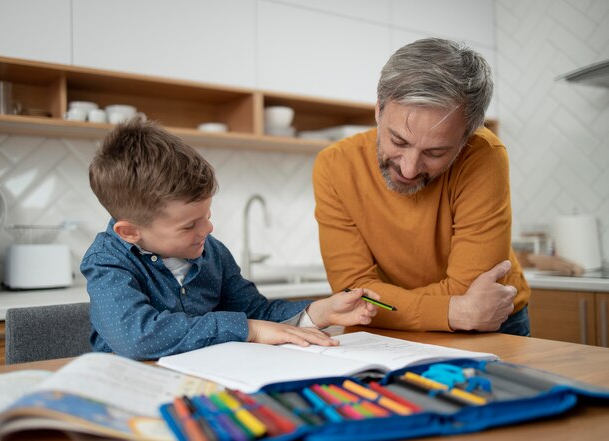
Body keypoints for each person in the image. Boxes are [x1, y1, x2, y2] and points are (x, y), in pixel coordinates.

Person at [81, 118, 379, 360]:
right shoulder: (107, 261)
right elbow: (136, 336)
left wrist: (321, 311)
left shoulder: (211, 252)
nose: (208, 229)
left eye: (207, 215)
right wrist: (247, 329)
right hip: (129, 387)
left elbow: (257, 313)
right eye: (189, 226)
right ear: (130, 231)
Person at [312, 38, 530, 336]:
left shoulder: (483, 155)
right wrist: (456, 310)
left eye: (436, 153)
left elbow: (471, 290)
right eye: (398, 141)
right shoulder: (335, 165)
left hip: (487, 321)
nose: (409, 168)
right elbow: (355, 296)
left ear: (467, 137)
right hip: (394, 325)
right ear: (378, 110)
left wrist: (401, 305)